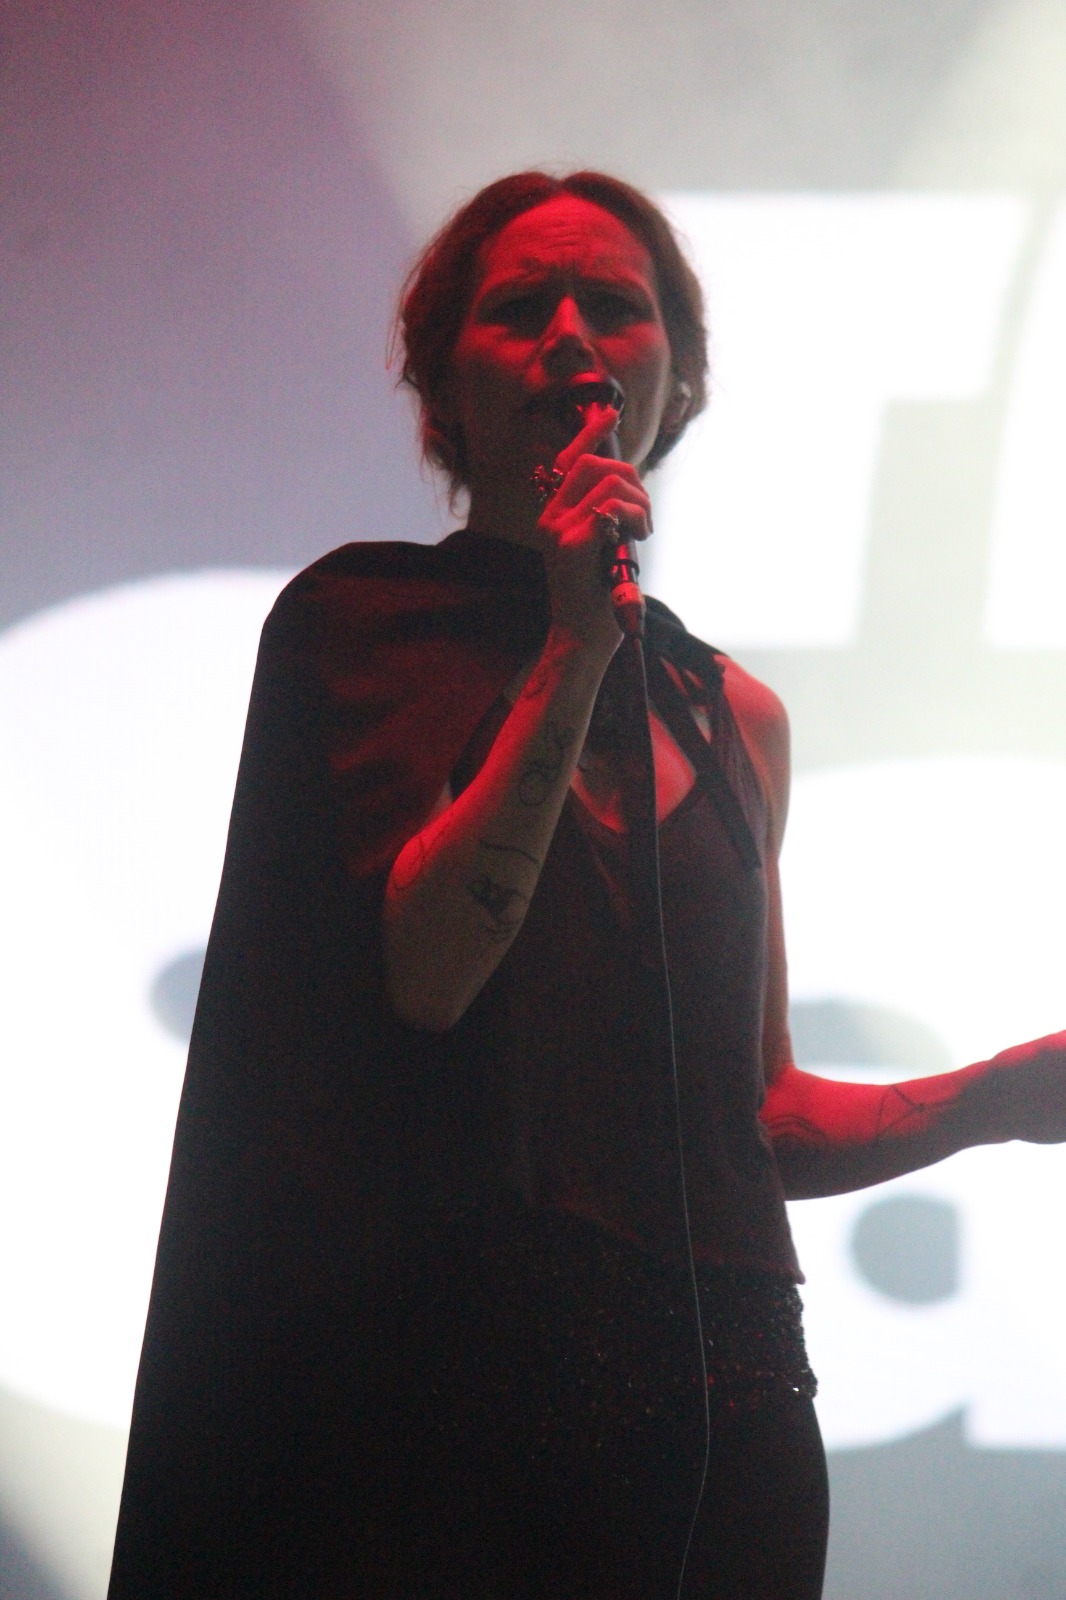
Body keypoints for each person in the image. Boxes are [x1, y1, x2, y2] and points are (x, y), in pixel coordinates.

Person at [107, 170, 1066, 1600]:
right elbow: (428, 976)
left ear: (672, 375)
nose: (570, 336)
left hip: (726, 1404)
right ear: (444, 381)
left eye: (613, 306)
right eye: (519, 309)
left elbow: (752, 1115)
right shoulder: (361, 625)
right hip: (447, 1405)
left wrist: (1001, 1098)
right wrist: (571, 642)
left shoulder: (731, 716)